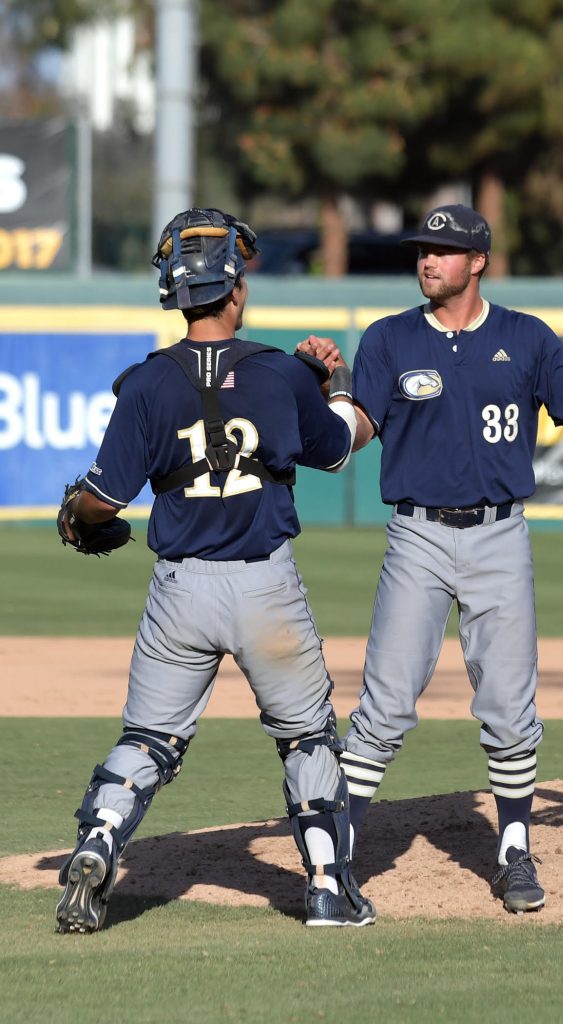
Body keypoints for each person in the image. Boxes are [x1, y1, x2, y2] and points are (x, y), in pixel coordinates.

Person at [299, 204, 563, 914]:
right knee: (384, 703)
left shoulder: (525, 338)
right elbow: (358, 431)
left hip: (500, 536)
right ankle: (336, 855)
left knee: (508, 704)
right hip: (417, 536)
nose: (428, 259)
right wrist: (334, 391)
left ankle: (513, 850)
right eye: (422, 249)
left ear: (478, 261)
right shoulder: (390, 337)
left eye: (443, 250)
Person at [55, 207, 375, 932]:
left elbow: (103, 501)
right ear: (235, 291)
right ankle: (328, 889)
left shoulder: (145, 383)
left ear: (174, 294)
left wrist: (78, 515)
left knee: (146, 740)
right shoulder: (280, 372)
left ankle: (99, 840)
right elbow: (340, 445)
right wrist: (336, 379)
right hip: (265, 586)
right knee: (306, 739)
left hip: (181, 589)